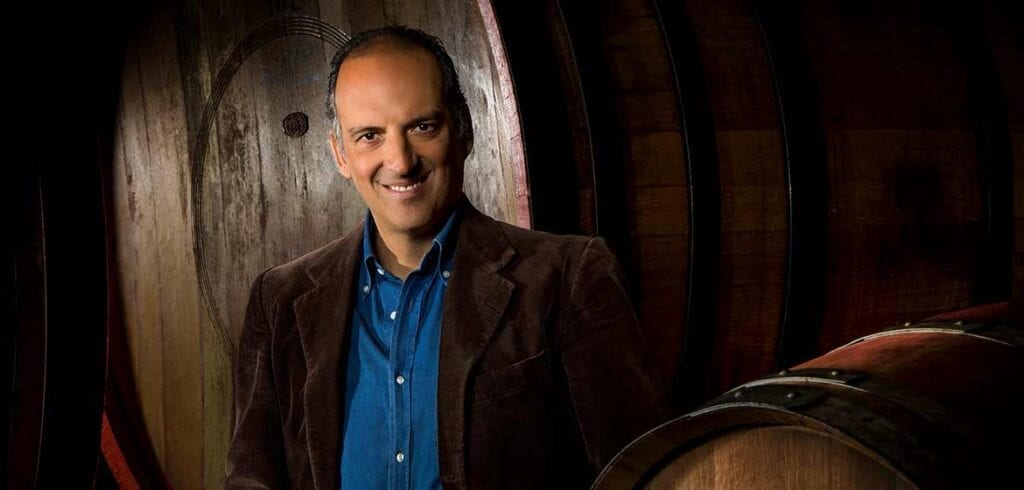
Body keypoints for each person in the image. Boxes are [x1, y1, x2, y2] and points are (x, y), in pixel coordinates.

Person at [224, 25, 669, 489]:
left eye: (422, 126)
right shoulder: (281, 299)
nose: (400, 161)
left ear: (464, 130)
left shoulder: (566, 277)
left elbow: (637, 476)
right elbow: (251, 481)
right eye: (369, 136)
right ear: (339, 153)